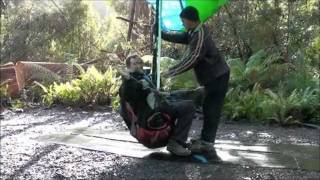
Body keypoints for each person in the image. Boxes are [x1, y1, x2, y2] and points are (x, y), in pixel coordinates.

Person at [160, 6, 230, 159]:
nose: (182, 24)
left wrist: (171, 72)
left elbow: (193, 58)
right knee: (207, 106)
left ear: (190, 20)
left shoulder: (201, 35)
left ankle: (206, 143)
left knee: (211, 108)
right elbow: (181, 37)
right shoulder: (194, 31)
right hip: (211, 78)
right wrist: (162, 34)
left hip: (218, 77)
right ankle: (205, 141)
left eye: (183, 21)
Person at [118, 54, 196, 156]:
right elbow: (127, 94)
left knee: (185, 101)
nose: (138, 65)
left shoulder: (143, 77)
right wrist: (128, 80)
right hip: (151, 118)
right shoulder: (129, 82)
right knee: (188, 107)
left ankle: (178, 140)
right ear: (128, 67)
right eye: (134, 64)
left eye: (139, 62)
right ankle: (175, 143)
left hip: (158, 110)